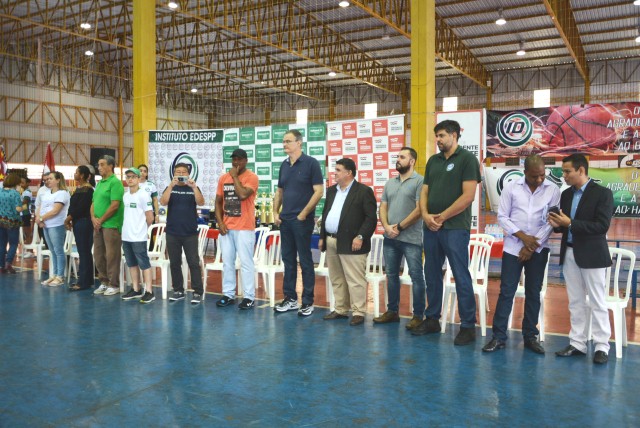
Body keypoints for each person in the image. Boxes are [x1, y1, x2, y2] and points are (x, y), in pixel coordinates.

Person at [482, 154, 560, 354]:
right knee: (506, 292)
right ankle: (498, 337)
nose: (540, 180)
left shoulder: (553, 190)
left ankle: (530, 337)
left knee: (533, 293)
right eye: (535, 176)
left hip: (538, 249)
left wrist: (531, 245)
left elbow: (551, 221)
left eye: (542, 175)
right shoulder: (511, 187)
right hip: (512, 249)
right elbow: (503, 217)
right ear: (525, 173)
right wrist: (523, 238)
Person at [412, 119, 481, 345]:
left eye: (442, 136)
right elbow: (424, 191)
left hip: (454, 228)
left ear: (454, 135)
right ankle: (432, 319)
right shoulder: (433, 161)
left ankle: (468, 326)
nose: (438, 140)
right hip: (431, 227)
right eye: (437, 137)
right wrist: (425, 215)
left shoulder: (468, 159)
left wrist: (441, 217)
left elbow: (468, 196)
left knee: (461, 275)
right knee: (431, 273)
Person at [549, 153, 614, 364]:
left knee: (597, 301)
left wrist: (570, 223)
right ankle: (577, 342)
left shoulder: (602, 194)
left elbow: (601, 226)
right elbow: (566, 226)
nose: (564, 175)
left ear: (581, 170)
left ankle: (602, 345)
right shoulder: (566, 194)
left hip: (593, 255)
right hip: (569, 253)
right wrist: (557, 225)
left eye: (567, 171)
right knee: (575, 301)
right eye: (563, 171)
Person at [373, 147, 426, 330]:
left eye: (402, 157)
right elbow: (383, 207)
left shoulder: (420, 181)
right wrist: (387, 227)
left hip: (411, 239)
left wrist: (400, 227)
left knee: (416, 276)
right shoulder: (390, 183)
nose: (398, 159)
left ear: (412, 161)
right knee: (392, 275)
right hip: (390, 237)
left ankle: (418, 315)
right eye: (398, 156)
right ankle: (392, 312)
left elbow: (419, 210)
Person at [272, 129, 324, 316]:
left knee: (306, 260)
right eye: (283, 141)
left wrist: (303, 214)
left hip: (302, 221)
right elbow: (280, 192)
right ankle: (291, 299)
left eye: (288, 141)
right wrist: (274, 212)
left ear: (299, 143)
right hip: (285, 221)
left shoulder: (311, 163)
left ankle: (308, 301)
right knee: (288, 260)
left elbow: (319, 191)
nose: (284, 144)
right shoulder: (284, 165)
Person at [320, 158, 377, 326]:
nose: (334, 173)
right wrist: (322, 237)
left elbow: (371, 219)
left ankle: (359, 311)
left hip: (353, 242)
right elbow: (325, 214)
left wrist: (360, 237)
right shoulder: (331, 191)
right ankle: (340, 309)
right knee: (337, 278)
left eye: (338, 170)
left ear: (349, 173)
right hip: (331, 240)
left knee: (355, 279)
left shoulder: (363, 191)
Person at [214, 148, 259, 310]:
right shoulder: (223, 178)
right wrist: (220, 223)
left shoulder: (252, 178)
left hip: (244, 228)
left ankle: (249, 297)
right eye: (234, 159)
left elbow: (242, 195)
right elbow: (218, 202)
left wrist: (234, 176)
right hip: (227, 227)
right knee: (227, 262)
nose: (236, 162)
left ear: (246, 161)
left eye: (239, 160)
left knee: (246, 262)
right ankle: (228, 294)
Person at [160, 162, 206, 304]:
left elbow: (201, 202)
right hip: (172, 232)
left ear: (188, 174)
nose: (180, 174)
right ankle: (178, 290)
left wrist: (193, 187)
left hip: (190, 233)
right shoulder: (170, 188)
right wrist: (170, 186)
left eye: (183, 172)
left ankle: (197, 292)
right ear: (174, 174)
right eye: (178, 172)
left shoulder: (193, 187)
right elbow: (163, 202)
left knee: (193, 262)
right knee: (175, 262)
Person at [120, 167, 155, 304]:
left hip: (138, 236)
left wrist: (141, 230)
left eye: (133, 177)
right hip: (126, 235)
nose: (130, 179)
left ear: (139, 179)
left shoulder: (144, 195)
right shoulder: (126, 195)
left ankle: (149, 291)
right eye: (128, 177)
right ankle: (136, 289)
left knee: (144, 263)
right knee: (131, 263)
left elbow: (150, 217)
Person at [91, 155, 124, 296]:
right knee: (98, 254)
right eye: (98, 165)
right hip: (98, 225)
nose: (99, 167)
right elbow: (93, 203)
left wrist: (101, 219)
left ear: (110, 166)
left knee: (112, 255)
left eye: (102, 164)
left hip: (111, 224)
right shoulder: (99, 184)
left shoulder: (115, 183)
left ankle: (113, 284)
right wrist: (93, 218)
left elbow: (114, 205)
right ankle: (103, 281)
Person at [64, 166, 95, 291]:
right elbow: (73, 206)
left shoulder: (88, 190)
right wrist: (70, 218)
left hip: (84, 222)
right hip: (78, 222)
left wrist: (68, 218)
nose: (75, 174)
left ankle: (83, 282)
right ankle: (86, 280)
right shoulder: (79, 189)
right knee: (84, 252)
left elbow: (81, 208)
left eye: (76, 172)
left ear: (82, 175)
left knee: (84, 251)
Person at [37, 171, 71, 286]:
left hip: (56, 225)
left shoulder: (62, 193)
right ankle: (54, 275)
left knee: (58, 251)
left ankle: (60, 276)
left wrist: (41, 218)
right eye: (47, 179)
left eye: (51, 178)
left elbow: (56, 210)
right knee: (52, 251)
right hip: (46, 225)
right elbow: (40, 207)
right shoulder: (47, 193)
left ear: (58, 180)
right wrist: (39, 220)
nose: (48, 180)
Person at [0, 173, 27, 274]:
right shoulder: (15, 193)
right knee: (13, 243)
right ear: (15, 182)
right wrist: (24, 206)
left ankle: (1, 266)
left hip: (1, 220)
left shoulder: (0, 191)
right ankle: (8, 263)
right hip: (12, 222)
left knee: (1, 244)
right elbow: (18, 209)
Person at [19, 177, 34, 255]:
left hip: (25, 214)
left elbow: (25, 204)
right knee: (24, 234)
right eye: (20, 182)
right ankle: (26, 249)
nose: (21, 184)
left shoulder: (27, 192)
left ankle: (30, 251)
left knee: (27, 233)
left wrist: (18, 207)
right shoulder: (24, 192)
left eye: (23, 182)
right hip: (23, 214)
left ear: (28, 183)